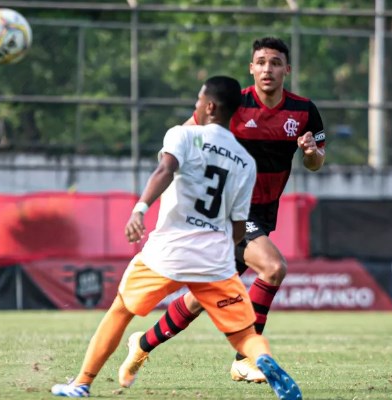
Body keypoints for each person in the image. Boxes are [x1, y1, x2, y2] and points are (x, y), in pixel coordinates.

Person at [50, 75, 302, 400]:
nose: (195, 104)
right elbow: (239, 225)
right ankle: (261, 358)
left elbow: (164, 170)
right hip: (215, 259)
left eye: (198, 99)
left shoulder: (182, 134)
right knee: (243, 334)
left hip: (167, 252)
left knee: (121, 311)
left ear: (209, 106)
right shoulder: (244, 161)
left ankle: (81, 384)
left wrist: (140, 209)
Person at [120, 37, 326, 385]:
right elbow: (183, 135)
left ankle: (141, 343)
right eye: (261, 62)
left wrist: (309, 152)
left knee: (202, 297)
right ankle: (245, 360)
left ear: (286, 70)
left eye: (275, 62)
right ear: (251, 68)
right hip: (230, 213)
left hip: (262, 214)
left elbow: (316, 163)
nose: (267, 69)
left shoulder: (304, 111)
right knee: (274, 268)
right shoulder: (235, 105)